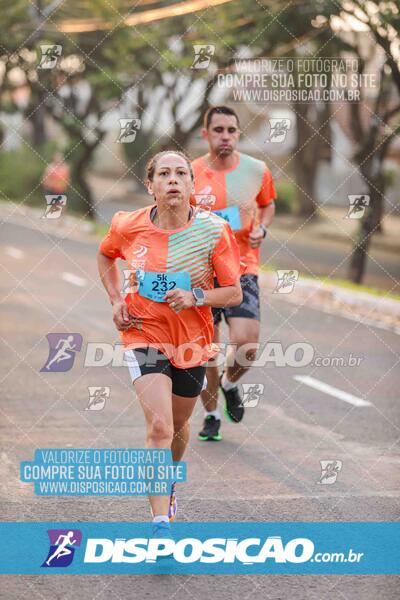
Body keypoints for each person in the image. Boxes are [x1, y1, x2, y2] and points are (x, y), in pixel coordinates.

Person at [97, 150, 242, 539]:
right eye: (164, 174)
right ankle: (160, 522)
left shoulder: (213, 231)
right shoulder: (128, 225)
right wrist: (115, 301)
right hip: (142, 333)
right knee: (158, 426)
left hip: (193, 341)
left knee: (178, 425)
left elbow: (233, 293)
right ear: (151, 185)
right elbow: (106, 255)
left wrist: (197, 296)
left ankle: (169, 481)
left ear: (193, 186)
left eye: (181, 173)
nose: (173, 179)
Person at [192, 106, 276, 442]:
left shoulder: (257, 170)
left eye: (231, 130)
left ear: (238, 134)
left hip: (242, 268)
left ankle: (229, 384)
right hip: (200, 273)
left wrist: (263, 229)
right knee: (206, 352)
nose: (225, 136)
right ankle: (211, 416)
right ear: (206, 134)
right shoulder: (191, 172)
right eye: (218, 130)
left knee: (246, 345)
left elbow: (267, 204)